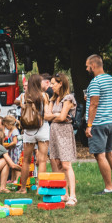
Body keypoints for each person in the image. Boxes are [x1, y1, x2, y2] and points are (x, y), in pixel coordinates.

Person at [85, 54, 112, 195]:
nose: (86, 69)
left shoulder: (95, 82)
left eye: (87, 66)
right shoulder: (111, 80)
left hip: (98, 123)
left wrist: (89, 125)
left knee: (100, 155)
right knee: (109, 152)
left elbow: (94, 104)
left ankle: (108, 187)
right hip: (110, 122)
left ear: (94, 65)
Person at [45, 73, 78, 205]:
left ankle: (73, 195)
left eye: (53, 83)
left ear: (61, 84)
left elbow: (63, 117)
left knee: (66, 164)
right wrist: (56, 115)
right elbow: (46, 116)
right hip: (54, 132)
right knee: (58, 164)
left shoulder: (68, 98)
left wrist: (55, 115)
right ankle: (64, 193)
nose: (51, 86)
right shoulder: (53, 99)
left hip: (64, 132)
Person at [16, 73, 50, 193]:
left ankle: (23, 188)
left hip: (28, 131)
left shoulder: (23, 97)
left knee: (26, 160)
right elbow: (47, 113)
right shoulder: (44, 95)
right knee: (42, 160)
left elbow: (22, 113)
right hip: (42, 129)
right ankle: (40, 188)